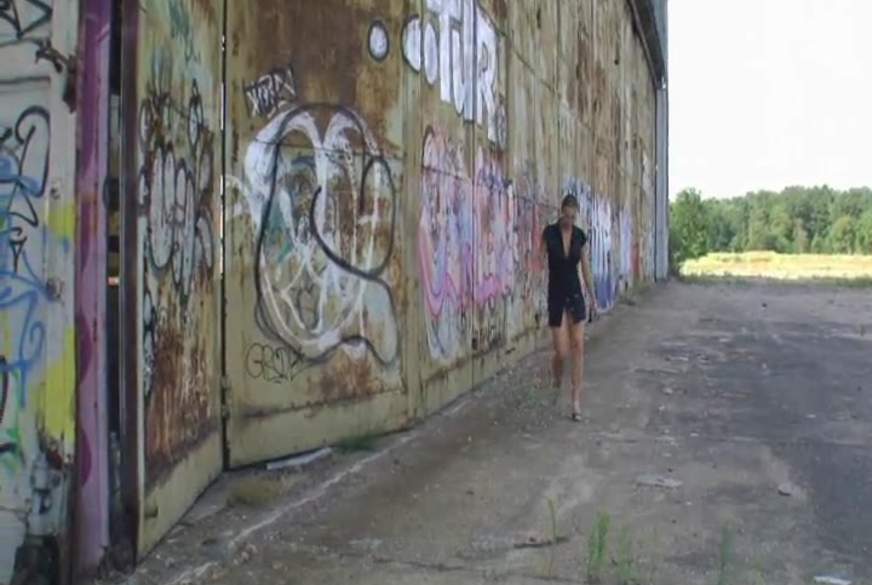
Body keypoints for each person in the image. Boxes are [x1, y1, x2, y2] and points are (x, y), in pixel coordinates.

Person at [540, 193, 598, 421]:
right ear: (561, 211)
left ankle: (575, 401)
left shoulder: (579, 236)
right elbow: (538, 261)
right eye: (566, 216)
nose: (569, 221)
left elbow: (585, 268)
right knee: (562, 351)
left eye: (573, 218)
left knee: (578, 346)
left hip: (575, 295)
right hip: (556, 295)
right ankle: (556, 381)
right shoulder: (549, 233)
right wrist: (530, 286)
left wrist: (592, 297)